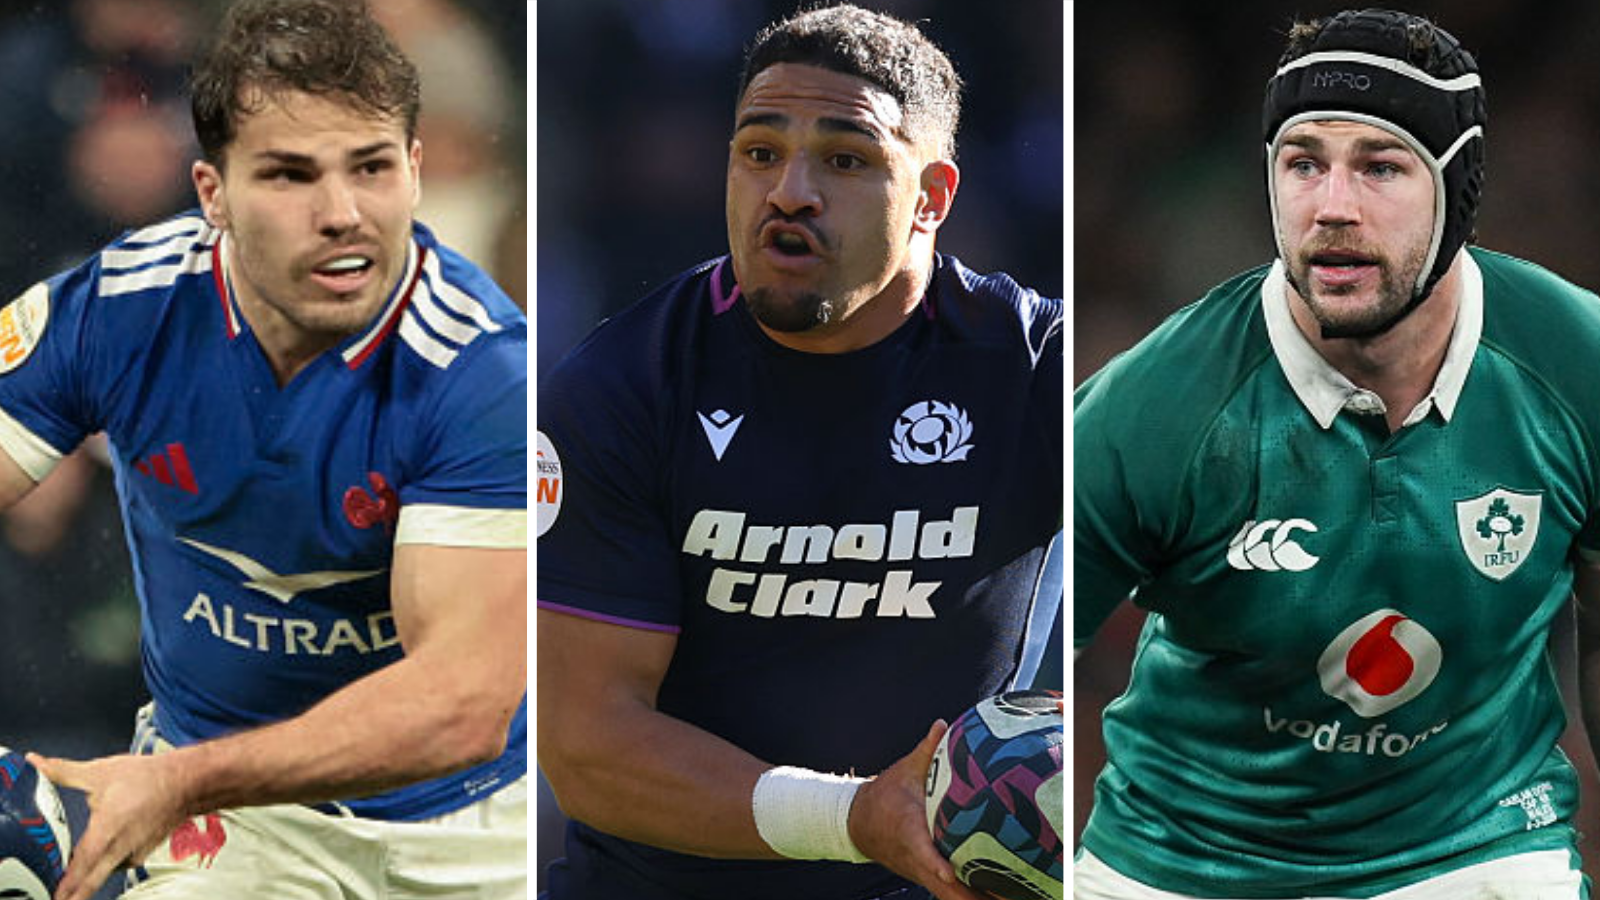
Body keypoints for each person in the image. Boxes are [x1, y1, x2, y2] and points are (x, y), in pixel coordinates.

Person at [0, 1, 528, 898]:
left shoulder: (483, 372)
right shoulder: (116, 309)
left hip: (464, 836)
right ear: (213, 194)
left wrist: (172, 780)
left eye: (371, 169)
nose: (341, 214)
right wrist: (178, 784)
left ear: (416, 170)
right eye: (289, 175)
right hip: (223, 830)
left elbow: (460, 708)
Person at [535, 4, 1062, 899]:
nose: (789, 191)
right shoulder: (619, 386)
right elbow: (589, 748)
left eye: (845, 159)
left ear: (932, 198)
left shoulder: (1034, 371)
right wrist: (855, 821)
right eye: (759, 152)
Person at [1075, 8, 1600, 898]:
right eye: (1303, 163)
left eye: (1381, 167)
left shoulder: (1575, 363)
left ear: (1457, 188)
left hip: (1476, 847)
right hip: (1180, 860)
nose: (1333, 207)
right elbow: (1015, 665)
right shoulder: (1149, 407)